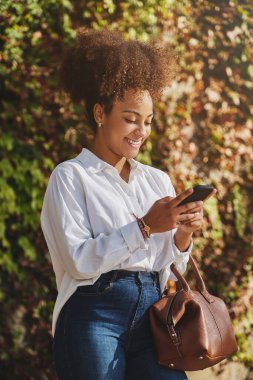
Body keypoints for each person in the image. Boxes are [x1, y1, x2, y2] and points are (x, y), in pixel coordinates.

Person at [40, 28, 213, 380]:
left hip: (153, 315)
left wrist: (181, 234)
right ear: (100, 112)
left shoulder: (156, 179)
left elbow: (165, 264)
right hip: (93, 315)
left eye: (148, 122)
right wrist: (145, 226)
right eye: (131, 118)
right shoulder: (71, 177)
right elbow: (79, 261)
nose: (141, 131)